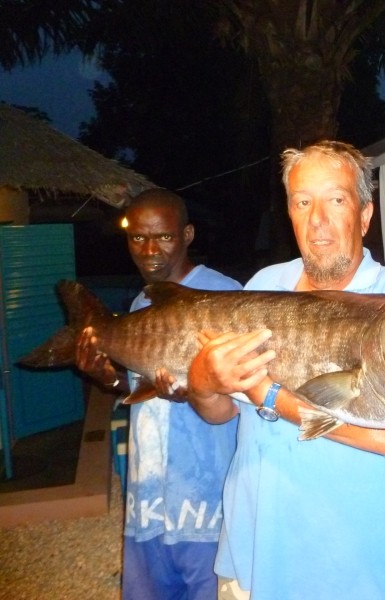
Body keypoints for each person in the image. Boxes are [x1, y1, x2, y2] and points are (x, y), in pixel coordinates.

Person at [183, 140, 385, 600]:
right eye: (302, 202)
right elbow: (222, 412)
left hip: (342, 574)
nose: (318, 221)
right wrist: (203, 382)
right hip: (248, 561)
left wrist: (272, 396)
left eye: (336, 200)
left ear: (365, 215)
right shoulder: (263, 286)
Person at [75, 189, 242, 600]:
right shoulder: (139, 304)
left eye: (163, 237)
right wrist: (108, 378)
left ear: (186, 234)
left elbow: (244, 399)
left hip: (207, 502)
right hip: (147, 500)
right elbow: (139, 388)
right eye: (138, 238)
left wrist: (196, 391)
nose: (149, 249)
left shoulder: (227, 295)